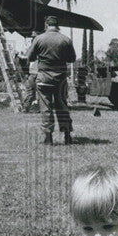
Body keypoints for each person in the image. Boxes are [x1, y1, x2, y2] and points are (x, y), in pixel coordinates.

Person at [27, 15, 76, 143]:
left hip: (44, 78)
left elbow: (30, 57)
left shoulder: (39, 39)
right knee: (62, 106)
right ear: (57, 25)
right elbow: (72, 59)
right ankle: (67, 136)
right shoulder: (66, 40)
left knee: (46, 108)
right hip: (60, 78)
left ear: (46, 25)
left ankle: (48, 138)